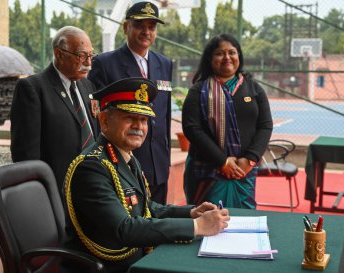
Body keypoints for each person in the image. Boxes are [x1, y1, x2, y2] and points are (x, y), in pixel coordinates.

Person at [63, 77, 230, 273]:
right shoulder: (92, 167)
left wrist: (191, 213)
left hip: (135, 257)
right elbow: (125, 228)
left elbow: (146, 207)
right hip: (108, 267)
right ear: (105, 121)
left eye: (143, 120)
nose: (139, 126)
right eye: (129, 118)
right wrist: (196, 226)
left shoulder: (123, 156)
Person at [88, 1, 172, 204]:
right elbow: (97, 117)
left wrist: (165, 158)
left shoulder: (165, 64)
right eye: (139, 25)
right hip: (122, 163)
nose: (146, 31)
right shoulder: (105, 63)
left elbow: (165, 116)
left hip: (158, 164)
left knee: (159, 225)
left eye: (151, 27)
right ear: (126, 27)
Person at [182, 34, 273, 209]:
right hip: (207, 171)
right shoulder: (198, 91)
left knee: (244, 223)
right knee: (207, 223)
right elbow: (192, 129)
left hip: (243, 172)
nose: (227, 58)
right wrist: (222, 161)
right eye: (219, 53)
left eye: (232, 52)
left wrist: (249, 160)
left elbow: (265, 125)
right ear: (210, 58)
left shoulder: (254, 89)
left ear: (239, 56)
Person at [10, 26, 99, 192]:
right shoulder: (33, 88)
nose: (88, 63)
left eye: (90, 56)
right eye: (81, 56)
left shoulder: (88, 86)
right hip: (57, 192)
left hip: (92, 188)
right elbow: (26, 156)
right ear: (59, 54)